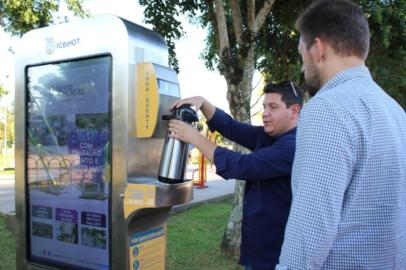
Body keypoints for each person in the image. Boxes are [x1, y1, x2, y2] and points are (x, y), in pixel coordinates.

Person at [276, 1, 406, 269]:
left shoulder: (327, 108)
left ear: (319, 48)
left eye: (303, 54)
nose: (303, 68)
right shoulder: (396, 111)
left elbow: (309, 233)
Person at [168, 81, 304, 269]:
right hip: (258, 250)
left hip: (276, 256)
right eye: (264, 106)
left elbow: (243, 165)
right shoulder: (267, 136)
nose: (265, 113)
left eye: (273, 107)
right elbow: (231, 127)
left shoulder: (292, 146)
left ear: (294, 111)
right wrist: (204, 103)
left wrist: (194, 137)